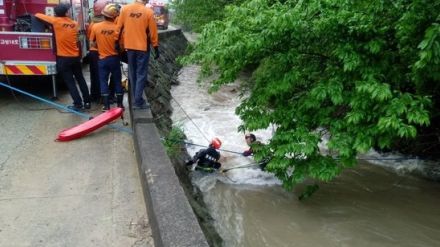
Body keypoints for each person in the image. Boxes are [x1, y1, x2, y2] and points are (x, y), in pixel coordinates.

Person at [35, 3, 91, 111]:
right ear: (66, 13)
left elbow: (38, 15)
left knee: (70, 82)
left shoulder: (55, 22)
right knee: (80, 79)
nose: (69, 12)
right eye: (68, 11)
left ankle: (78, 104)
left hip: (63, 58)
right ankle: (87, 102)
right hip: (75, 57)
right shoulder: (74, 24)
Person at [116, 0, 159, 110]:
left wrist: (116, 42)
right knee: (141, 74)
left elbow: (119, 27)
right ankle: (138, 101)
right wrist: (156, 47)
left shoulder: (125, 9)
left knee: (133, 72)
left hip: (129, 47)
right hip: (142, 48)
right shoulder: (148, 12)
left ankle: (137, 98)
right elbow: (153, 32)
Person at [89, 3, 124, 111]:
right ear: (114, 16)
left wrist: (99, 45)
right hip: (114, 58)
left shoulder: (95, 26)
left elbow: (91, 44)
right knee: (117, 81)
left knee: (103, 81)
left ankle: (106, 106)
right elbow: (122, 46)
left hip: (102, 59)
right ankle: (119, 105)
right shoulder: (117, 28)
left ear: (103, 15)